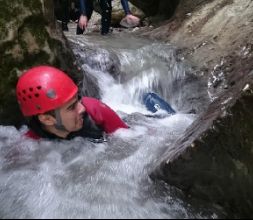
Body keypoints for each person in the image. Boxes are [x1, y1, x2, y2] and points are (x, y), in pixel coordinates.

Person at [16, 66, 128, 141]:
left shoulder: (95, 110)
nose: (82, 108)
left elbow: (131, 140)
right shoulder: (31, 143)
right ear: (47, 119)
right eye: (71, 107)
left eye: (78, 99)